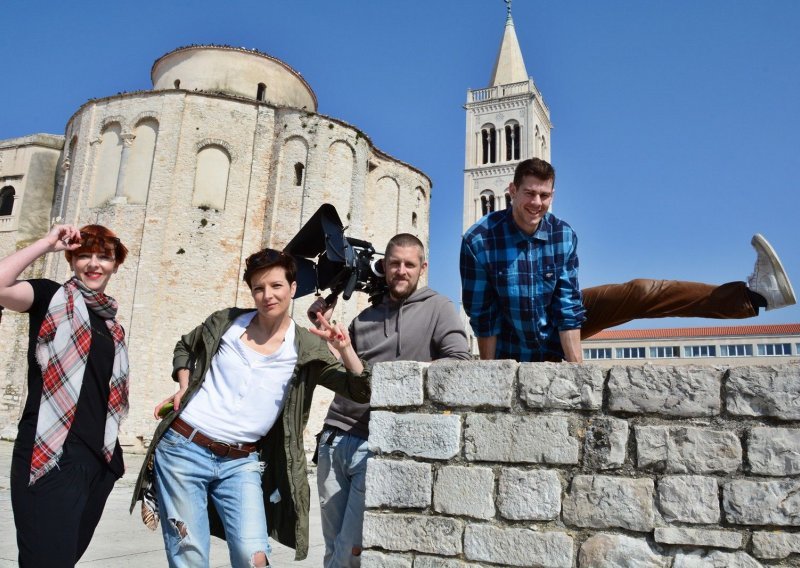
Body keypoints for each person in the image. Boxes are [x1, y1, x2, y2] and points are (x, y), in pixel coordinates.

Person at [130, 248, 370, 567]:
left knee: (253, 556)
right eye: (259, 288)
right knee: (189, 553)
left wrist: (346, 350)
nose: (267, 295)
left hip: (241, 462)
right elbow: (185, 347)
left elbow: (360, 389)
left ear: (293, 288)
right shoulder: (227, 322)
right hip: (183, 448)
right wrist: (184, 386)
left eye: (276, 286)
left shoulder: (307, 346)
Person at [461, 157, 797, 362]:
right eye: (529, 193)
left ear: (553, 195)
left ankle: (756, 296)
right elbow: (484, 315)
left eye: (544, 195)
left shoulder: (562, 234)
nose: (536, 203)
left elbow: (567, 306)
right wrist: (494, 374)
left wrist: (576, 368)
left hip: (555, 333)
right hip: (513, 349)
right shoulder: (480, 240)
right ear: (512, 191)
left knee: (640, 292)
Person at [308, 233, 471, 568]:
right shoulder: (363, 318)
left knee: (349, 552)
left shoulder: (439, 308)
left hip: (377, 443)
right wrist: (323, 330)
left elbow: (460, 361)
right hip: (334, 438)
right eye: (394, 263)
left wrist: (401, 379)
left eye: (410, 264)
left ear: (422, 268)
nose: (401, 270)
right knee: (332, 548)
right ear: (384, 266)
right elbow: (343, 369)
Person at [0, 223, 130, 567]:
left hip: (96, 460)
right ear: (72, 260)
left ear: (116, 265)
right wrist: (46, 243)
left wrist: (111, 462)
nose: (94, 263)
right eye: (84, 255)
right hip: (49, 452)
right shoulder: (51, 298)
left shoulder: (112, 327)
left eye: (104, 257)